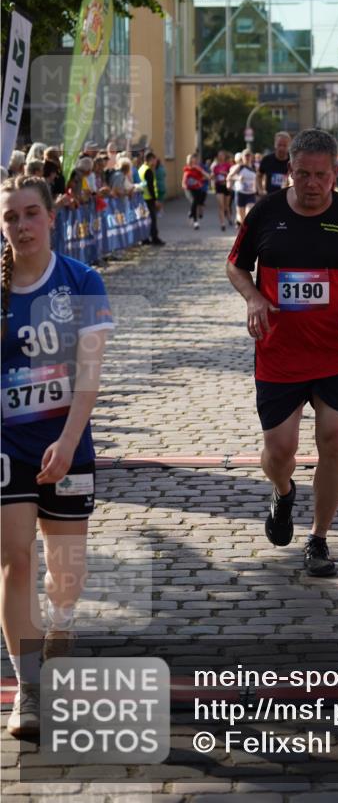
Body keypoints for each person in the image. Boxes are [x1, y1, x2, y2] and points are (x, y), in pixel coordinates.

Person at [226, 129, 338, 578]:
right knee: (279, 451)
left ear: (335, 172)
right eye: (303, 174)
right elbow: (236, 265)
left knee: (335, 439)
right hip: (280, 352)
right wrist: (253, 297)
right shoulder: (265, 213)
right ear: (290, 170)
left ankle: (319, 538)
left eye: (321, 175)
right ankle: (283, 492)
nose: (312, 184)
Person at [1, 175, 113, 738]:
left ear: (51, 217)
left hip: (67, 439)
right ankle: (28, 690)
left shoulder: (82, 280)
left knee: (65, 572)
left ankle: (62, 623)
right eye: (10, 217)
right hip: (7, 444)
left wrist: (69, 442)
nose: (21, 226)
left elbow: (89, 374)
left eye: (30, 214)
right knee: (14, 559)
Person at [138, 151, 165, 246]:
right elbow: (150, 187)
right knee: (152, 219)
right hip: (148, 199)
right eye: (154, 160)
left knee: (145, 219)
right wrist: (155, 200)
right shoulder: (148, 170)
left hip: (142, 198)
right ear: (150, 160)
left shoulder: (141, 169)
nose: (155, 162)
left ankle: (145, 238)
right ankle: (154, 238)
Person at [228, 149, 258, 225]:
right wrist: (238, 178)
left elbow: (259, 178)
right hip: (240, 194)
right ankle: (242, 229)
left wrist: (260, 188)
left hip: (251, 194)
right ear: (242, 157)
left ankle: (248, 231)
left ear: (251, 157)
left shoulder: (255, 167)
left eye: (249, 155)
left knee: (249, 214)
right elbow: (229, 177)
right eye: (246, 156)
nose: (247, 157)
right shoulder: (239, 167)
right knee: (242, 219)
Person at [258, 132, 291, 197]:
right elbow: (259, 176)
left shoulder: (293, 161)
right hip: (270, 197)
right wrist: (260, 190)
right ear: (275, 144)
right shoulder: (267, 159)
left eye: (284, 145)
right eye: (279, 145)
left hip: (287, 198)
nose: (281, 148)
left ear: (288, 146)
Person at [181, 152, 208, 230]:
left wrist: (201, 178)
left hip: (197, 188)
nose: (190, 161)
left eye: (192, 159)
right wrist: (184, 185)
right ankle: (195, 222)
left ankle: (191, 212)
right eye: (189, 159)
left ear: (195, 160)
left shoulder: (198, 168)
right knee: (194, 201)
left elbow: (206, 176)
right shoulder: (186, 169)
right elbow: (184, 179)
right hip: (188, 189)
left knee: (196, 203)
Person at [211, 150, 233, 229]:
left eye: (222, 155)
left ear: (224, 156)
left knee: (227, 206)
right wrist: (213, 176)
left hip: (226, 186)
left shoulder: (228, 165)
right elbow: (212, 177)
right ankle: (222, 224)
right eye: (219, 155)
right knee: (221, 206)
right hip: (219, 186)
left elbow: (232, 175)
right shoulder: (215, 167)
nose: (220, 156)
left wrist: (225, 174)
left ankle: (229, 218)